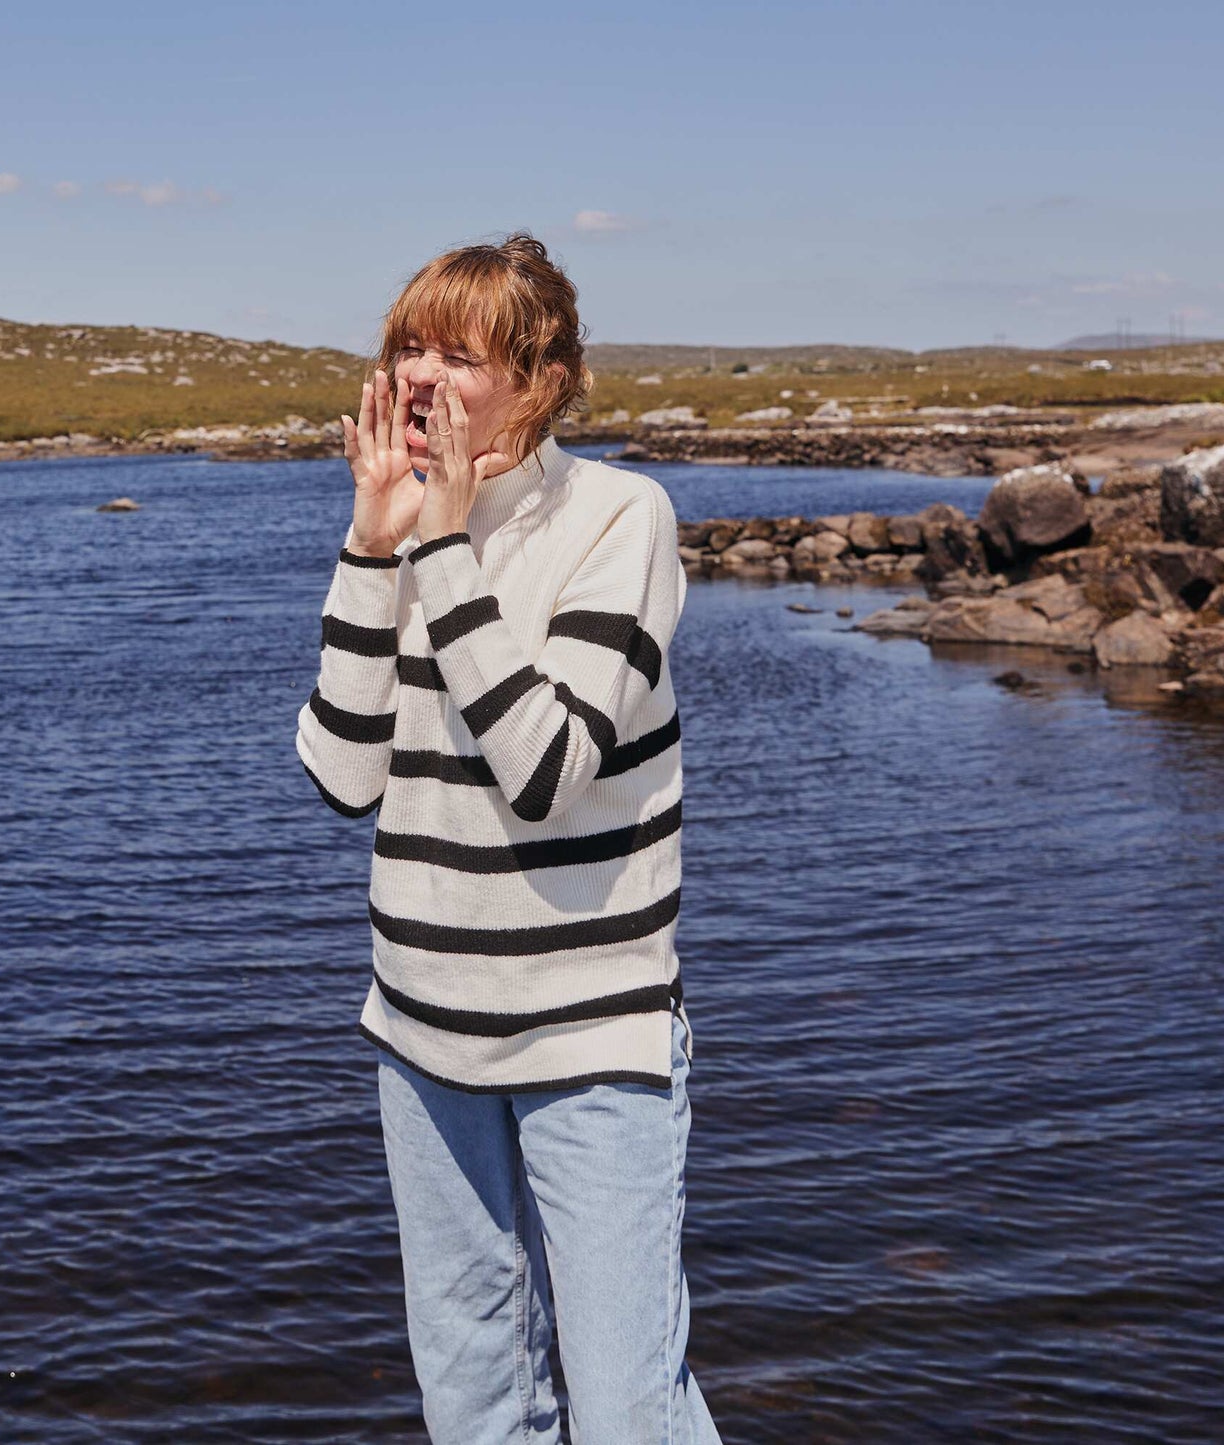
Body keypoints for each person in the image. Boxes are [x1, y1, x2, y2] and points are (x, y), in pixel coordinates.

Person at [295, 233, 722, 1444]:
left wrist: (439, 545)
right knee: (475, 1398)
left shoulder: (617, 517)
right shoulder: (403, 528)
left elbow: (545, 770)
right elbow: (338, 773)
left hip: (591, 1026)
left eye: (457, 353)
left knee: (629, 1406)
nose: (419, 377)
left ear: (540, 378)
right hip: (419, 1028)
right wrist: (373, 550)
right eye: (406, 348)